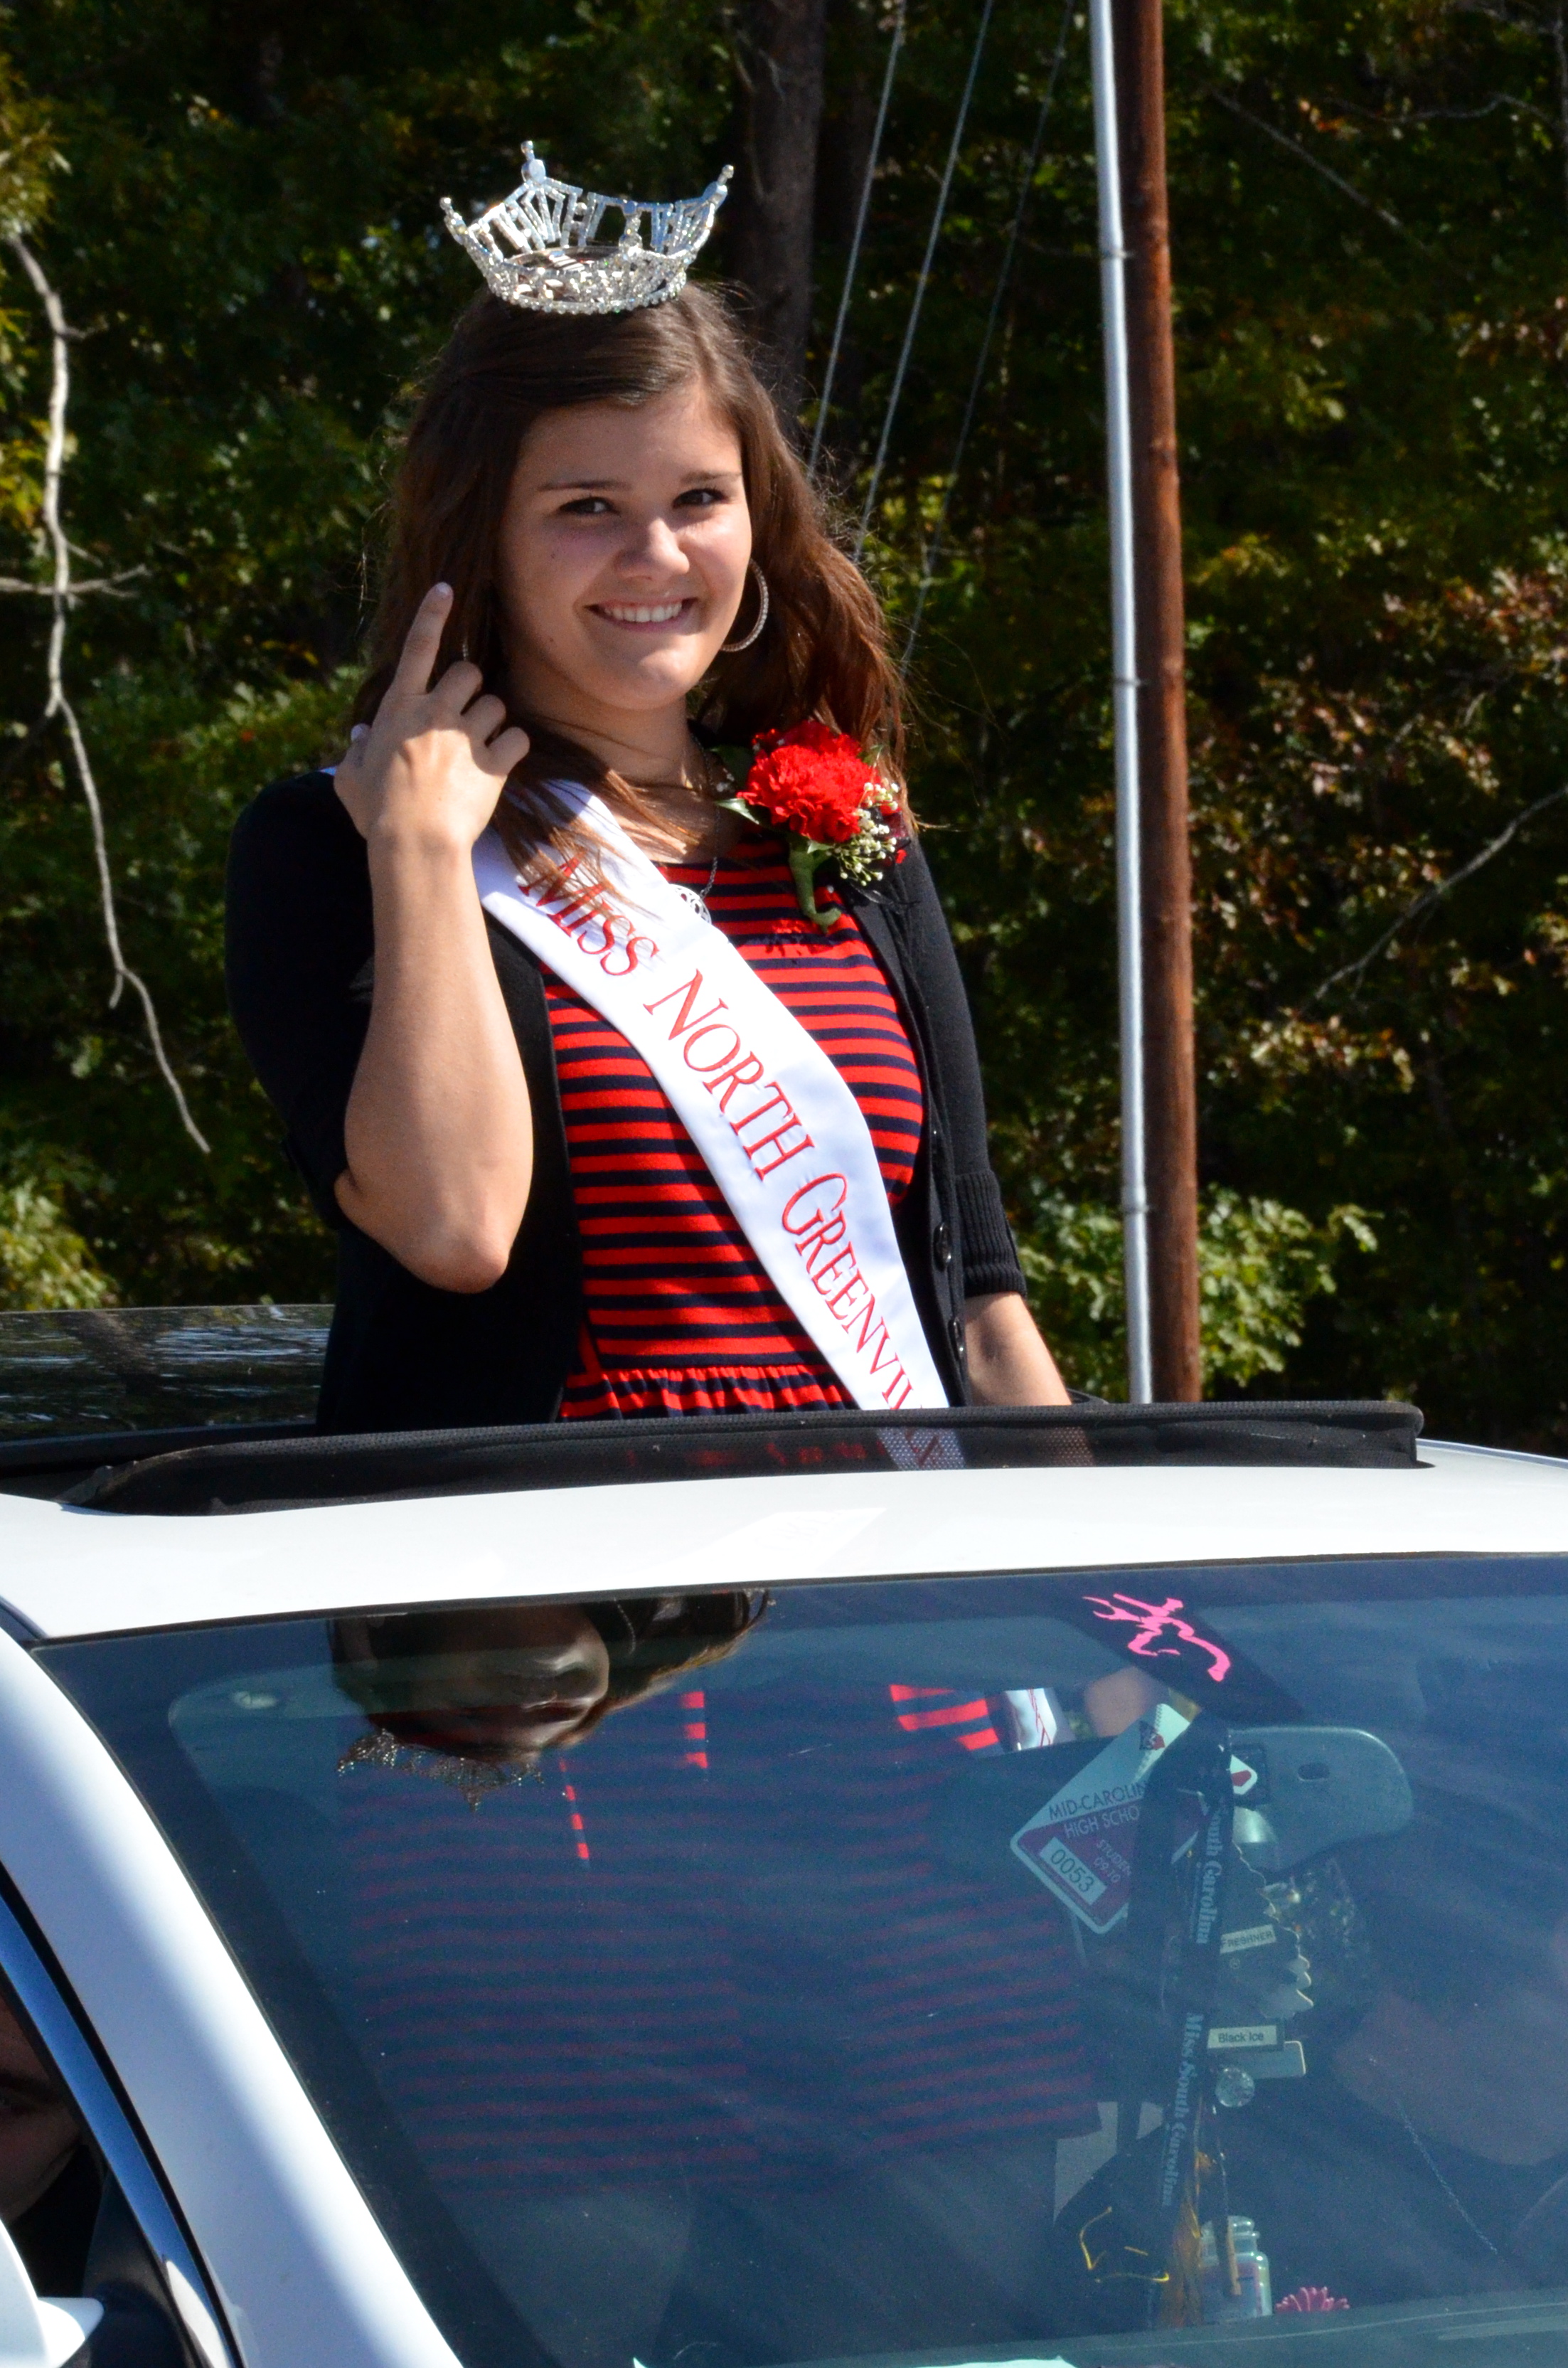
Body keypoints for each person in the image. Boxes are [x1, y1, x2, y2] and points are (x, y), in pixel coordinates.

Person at [225, 143, 1069, 1434]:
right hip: (546, 1593)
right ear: (482, 537)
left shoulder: (850, 831)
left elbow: (980, 1299)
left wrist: (1095, 1594)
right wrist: (419, 851)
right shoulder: (331, 846)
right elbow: (454, 1228)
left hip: (872, 1585)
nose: (656, 555)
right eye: (585, 506)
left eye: (698, 498)